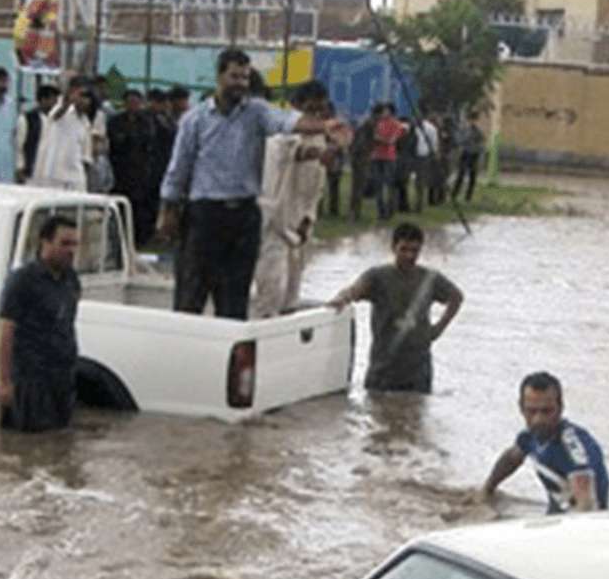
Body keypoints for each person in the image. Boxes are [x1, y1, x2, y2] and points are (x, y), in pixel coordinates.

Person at [156, 49, 332, 320]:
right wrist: (168, 212)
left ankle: (232, 358)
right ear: (219, 76)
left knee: (234, 300)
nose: (240, 83)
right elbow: (178, 169)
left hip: (243, 216)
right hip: (204, 216)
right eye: (234, 76)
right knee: (191, 296)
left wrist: (326, 126)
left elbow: (288, 121)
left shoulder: (257, 113)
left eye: (245, 78)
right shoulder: (195, 120)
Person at [326, 222, 463, 390]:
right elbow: (355, 289)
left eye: (414, 251)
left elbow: (456, 297)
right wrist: (342, 298)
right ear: (393, 248)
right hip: (383, 370)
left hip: (418, 371)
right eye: (404, 249)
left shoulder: (429, 279)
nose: (409, 256)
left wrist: (437, 329)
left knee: (416, 412)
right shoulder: (378, 277)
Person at [0, 215, 83, 433]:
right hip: (29, 382)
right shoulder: (22, 280)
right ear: (45, 242)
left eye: (74, 244)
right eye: (64, 244)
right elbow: (5, 331)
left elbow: (69, 321)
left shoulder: (71, 279)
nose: (71, 250)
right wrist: (4, 381)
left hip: (62, 379)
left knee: (59, 442)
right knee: (27, 445)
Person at [253, 81, 332, 319]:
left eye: (321, 108)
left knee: (294, 280)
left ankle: (287, 321)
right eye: (311, 108)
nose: (316, 114)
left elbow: (316, 183)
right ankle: (263, 323)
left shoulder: (319, 137)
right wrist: (313, 153)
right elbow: (283, 150)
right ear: (297, 104)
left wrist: (309, 216)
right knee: (271, 279)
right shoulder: (284, 128)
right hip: (275, 215)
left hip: (300, 221)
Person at [481, 371, 609, 514]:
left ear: (560, 408)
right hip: (557, 512)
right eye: (531, 411)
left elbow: (586, 505)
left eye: (546, 411)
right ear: (521, 408)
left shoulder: (574, 449)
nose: (539, 420)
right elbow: (512, 458)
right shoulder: (529, 436)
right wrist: (487, 489)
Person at [107, 89, 160, 246]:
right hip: (120, 171)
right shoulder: (116, 121)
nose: (133, 106)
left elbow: (149, 143)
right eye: (130, 102)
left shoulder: (146, 122)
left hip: (140, 172)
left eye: (136, 103)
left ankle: (138, 240)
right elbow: (116, 142)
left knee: (138, 208)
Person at [31, 78, 92, 191]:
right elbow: (56, 114)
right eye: (81, 95)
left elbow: (86, 156)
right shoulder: (62, 111)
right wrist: (68, 101)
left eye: (87, 97)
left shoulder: (86, 122)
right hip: (55, 175)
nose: (84, 100)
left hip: (76, 176)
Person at [17, 84, 59, 183]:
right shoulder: (27, 119)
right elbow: (19, 146)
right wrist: (20, 168)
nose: (56, 104)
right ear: (43, 100)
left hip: (52, 172)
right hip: (32, 171)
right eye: (53, 101)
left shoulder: (58, 121)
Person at [370, 103, 405, 221]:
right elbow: (373, 137)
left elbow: (391, 141)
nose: (383, 113)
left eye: (385, 111)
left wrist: (380, 139)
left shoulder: (396, 125)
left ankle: (390, 210)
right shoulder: (379, 123)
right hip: (376, 156)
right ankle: (381, 212)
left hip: (389, 157)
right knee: (377, 185)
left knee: (389, 184)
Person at [452, 118, 484, 202]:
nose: (473, 122)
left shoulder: (478, 131)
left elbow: (481, 142)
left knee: (472, 177)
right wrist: (468, 138)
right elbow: (458, 140)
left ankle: (468, 196)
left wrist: (479, 151)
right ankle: (454, 194)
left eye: (475, 120)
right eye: (471, 120)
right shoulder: (464, 130)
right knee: (461, 175)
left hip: (474, 155)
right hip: (465, 154)